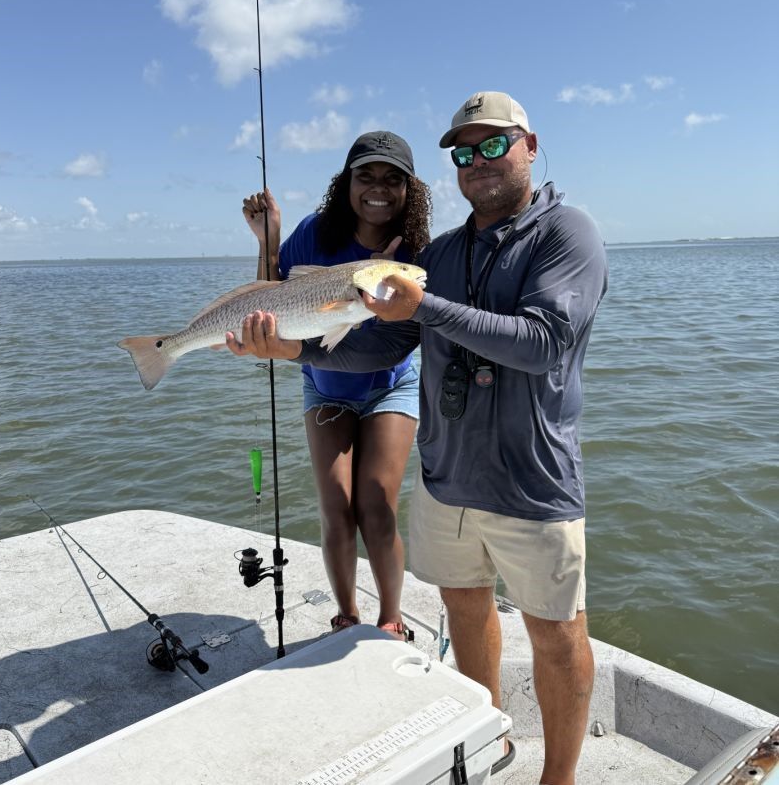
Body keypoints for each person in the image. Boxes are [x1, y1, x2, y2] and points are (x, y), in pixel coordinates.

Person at [230, 92, 607, 785]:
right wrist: (292, 354)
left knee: (555, 635)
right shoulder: (450, 251)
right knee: (464, 610)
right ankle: (488, 732)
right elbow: (382, 348)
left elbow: (544, 343)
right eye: (464, 151)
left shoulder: (568, 233)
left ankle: (560, 778)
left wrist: (423, 301)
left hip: (533, 480)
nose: (479, 161)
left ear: (530, 144)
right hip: (447, 475)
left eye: (494, 144)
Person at [241, 131, 433, 641]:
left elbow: (411, 335)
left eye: (394, 179)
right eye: (365, 175)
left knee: (376, 502)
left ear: (410, 190)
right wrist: (269, 242)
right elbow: (269, 301)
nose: (378, 188)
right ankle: (346, 613)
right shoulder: (314, 234)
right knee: (336, 506)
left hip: (390, 386)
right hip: (324, 387)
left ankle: (391, 615)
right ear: (345, 182)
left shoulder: (417, 253)